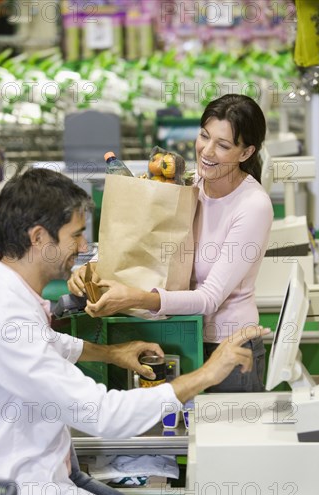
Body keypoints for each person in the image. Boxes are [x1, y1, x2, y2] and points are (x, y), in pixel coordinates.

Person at [0, 168, 269, 495]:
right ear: (39, 237)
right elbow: (105, 414)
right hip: (18, 491)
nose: (83, 245)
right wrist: (206, 374)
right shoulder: (5, 319)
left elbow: (46, 342)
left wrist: (111, 353)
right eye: (75, 234)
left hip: (50, 465)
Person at [68, 94, 274, 393]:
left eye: (224, 145)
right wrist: (92, 270)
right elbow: (143, 244)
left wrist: (136, 297)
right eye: (204, 136)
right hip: (177, 335)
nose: (207, 150)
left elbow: (208, 299)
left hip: (227, 348)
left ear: (246, 152)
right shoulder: (187, 186)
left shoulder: (252, 206)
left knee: (223, 438)